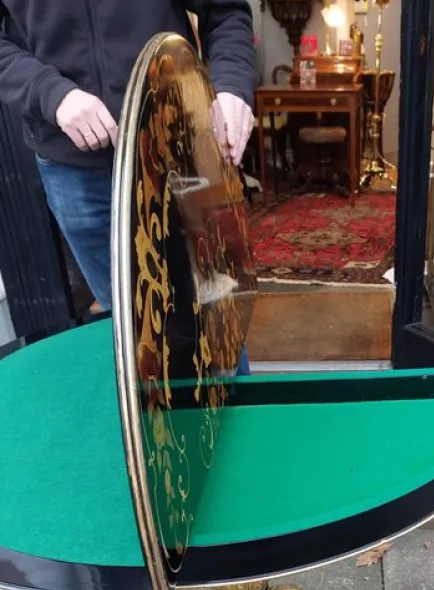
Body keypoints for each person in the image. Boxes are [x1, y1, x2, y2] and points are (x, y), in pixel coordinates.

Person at [0, 1, 256, 371]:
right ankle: (159, 427)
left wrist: (231, 85)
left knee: (220, 314)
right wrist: (50, 93)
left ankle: (241, 415)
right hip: (75, 169)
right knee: (136, 329)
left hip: (180, 150)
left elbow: (225, 10)